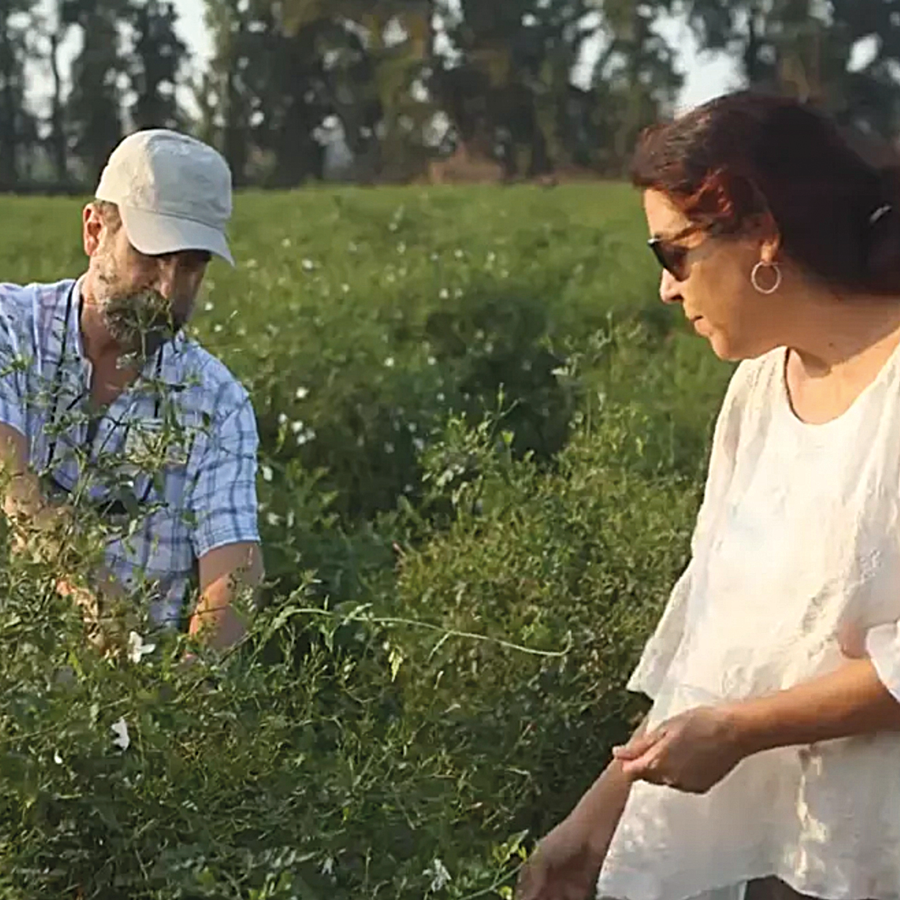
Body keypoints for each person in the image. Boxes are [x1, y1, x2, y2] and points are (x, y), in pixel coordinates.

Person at [516, 90, 900, 900]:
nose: (664, 288)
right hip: (763, 858)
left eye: (673, 254)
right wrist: (595, 822)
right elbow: (712, 636)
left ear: (761, 229)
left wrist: (742, 729)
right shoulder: (761, 388)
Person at [0, 128, 263, 652]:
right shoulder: (10, 327)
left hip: (126, 703)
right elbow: (11, 479)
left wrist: (186, 690)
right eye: (151, 256)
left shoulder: (217, 401)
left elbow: (234, 571)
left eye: (191, 265)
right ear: (95, 232)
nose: (169, 290)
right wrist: (103, 599)